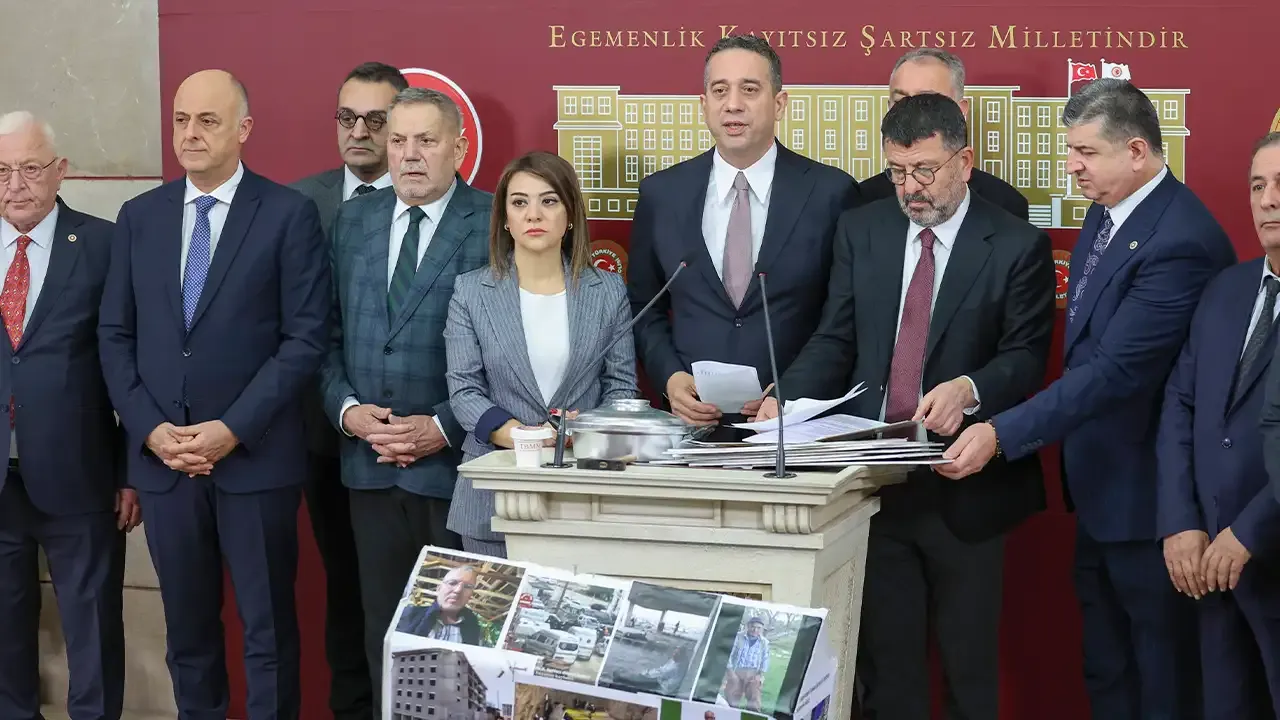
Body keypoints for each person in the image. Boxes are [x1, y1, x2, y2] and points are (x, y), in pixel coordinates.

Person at [941, 78, 1237, 719]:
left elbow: (1114, 372)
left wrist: (1000, 432)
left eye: (1086, 152)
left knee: (1161, 683)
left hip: (1156, 505)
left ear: (1137, 151)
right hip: (1101, 491)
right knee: (1107, 668)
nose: (1072, 165)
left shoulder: (1180, 240)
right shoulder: (1109, 209)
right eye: (1069, 150)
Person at [755, 93, 1055, 720]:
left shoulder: (1016, 242)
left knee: (969, 672)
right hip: (873, 486)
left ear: (964, 162)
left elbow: (1025, 356)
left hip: (965, 484)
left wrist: (969, 387)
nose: (910, 188)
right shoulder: (863, 230)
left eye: (924, 170)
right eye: (897, 172)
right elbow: (836, 337)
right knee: (888, 677)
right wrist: (786, 395)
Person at [98, 69, 330, 720]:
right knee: (189, 636)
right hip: (166, 465)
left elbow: (305, 339)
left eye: (208, 121)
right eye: (181, 120)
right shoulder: (140, 217)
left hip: (254, 462)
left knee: (267, 635)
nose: (190, 134)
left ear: (244, 129)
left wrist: (232, 428)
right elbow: (114, 335)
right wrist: (150, 430)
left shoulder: (287, 214)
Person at [320, 86, 491, 708]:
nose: (409, 155)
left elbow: (510, 353)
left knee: (456, 647)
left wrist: (442, 426)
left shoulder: (491, 220)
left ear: (458, 148)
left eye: (426, 140)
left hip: (456, 472)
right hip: (368, 466)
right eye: (398, 141)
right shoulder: (354, 220)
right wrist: (349, 412)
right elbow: (324, 333)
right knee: (383, 638)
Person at [627, 34, 861, 430]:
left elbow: (844, 316)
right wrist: (669, 377)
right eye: (720, 90)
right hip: (692, 427)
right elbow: (642, 306)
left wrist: (793, 390)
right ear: (704, 104)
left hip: (795, 425)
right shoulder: (662, 194)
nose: (733, 104)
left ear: (779, 103)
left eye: (749, 89)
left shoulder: (831, 194)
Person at [0, 112, 137, 720]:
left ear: (60, 171)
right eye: (2, 171)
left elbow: (133, 366)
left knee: (93, 627)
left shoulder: (105, 245)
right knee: (4, 628)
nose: (16, 184)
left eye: (30, 168)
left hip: (82, 475)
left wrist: (132, 469)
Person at [444, 150, 638, 556]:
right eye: (519, 202)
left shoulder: (607, 291)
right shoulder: (470, 292)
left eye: (549, 201)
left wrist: (585, 432)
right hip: (493, 497)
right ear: (505, 219)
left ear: (570, 215)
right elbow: (464, 391)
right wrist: (524, 436)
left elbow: (621, 389)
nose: (533, 214)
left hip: (586, 496)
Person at [288, 60, 406, 720]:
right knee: (346, 590)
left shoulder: (438, 200)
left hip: (413, 439)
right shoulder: (298, 203)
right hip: (323, 435)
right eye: (346, 117)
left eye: (375, 119)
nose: (358, 132)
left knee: (414, 596)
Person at [1195, 131, 1280, 718]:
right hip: (1211, 564)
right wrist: (1181, 523)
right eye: (1257, 186)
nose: (1268, 200)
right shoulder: (1226, 289)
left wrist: (1248, 531)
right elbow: (1182, 404)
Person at [857, 48, 1029, 221]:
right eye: (900, 101)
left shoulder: (1005, 206)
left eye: (927, 102)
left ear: (960, 111)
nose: (911, 113)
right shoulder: (861, 203)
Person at [396, 564, 484, 644]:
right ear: (438, 589)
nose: (458, 590)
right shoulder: (407, 615)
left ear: (470, 596)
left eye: (467, 587)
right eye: (452, 583)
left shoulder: (474, 629)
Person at [723, 616, 770, 712]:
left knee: (754, 694)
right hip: (736, 670)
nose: (755, 630)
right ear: (748, 626)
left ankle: (753, 714)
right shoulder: (738, 637)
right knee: (732, 695)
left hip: (754, 672)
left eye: (758, 628)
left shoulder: (764, 642)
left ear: (762, 629)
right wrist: (731, 673)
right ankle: (729, 713)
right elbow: (728, 654)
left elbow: (765, 659)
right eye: (753, 627)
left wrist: (759, 675)